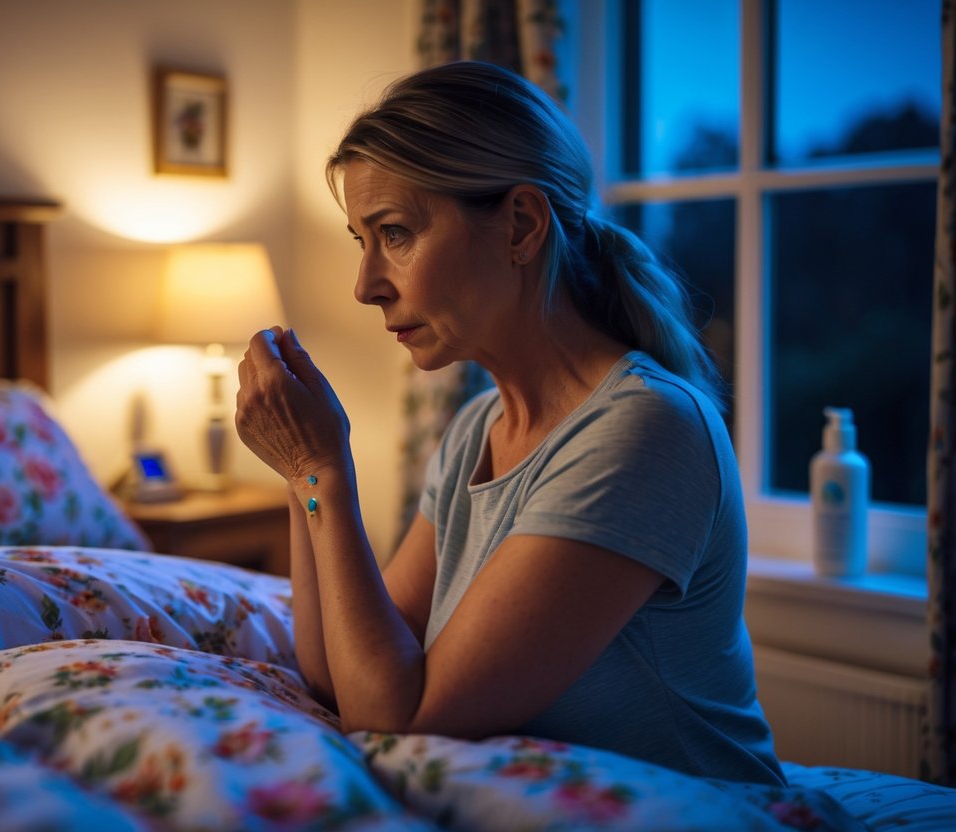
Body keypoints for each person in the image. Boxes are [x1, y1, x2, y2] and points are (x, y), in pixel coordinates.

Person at [234, 60, 784, 786]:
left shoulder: (643, 430)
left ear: (520, 225)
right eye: (359, 241)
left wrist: (319, 470)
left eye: (394, 233)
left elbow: (397, 716)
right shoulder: (475, 428)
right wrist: (295, 469)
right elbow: (338, 673)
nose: (365, 285)